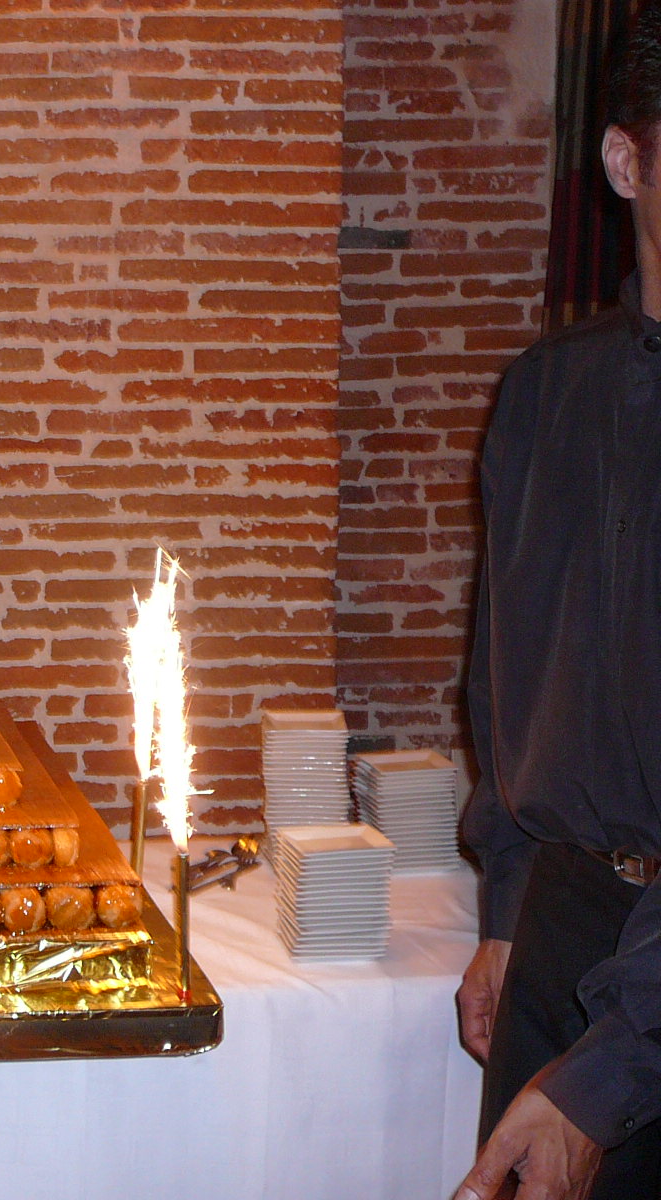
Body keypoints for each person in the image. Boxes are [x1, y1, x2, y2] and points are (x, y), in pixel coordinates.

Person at [456, 8, 661, 1199]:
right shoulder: (542, 394)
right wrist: (505, 911)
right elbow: (508, 678)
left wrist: (614, 1070)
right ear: (627, 162)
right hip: (562, 925)